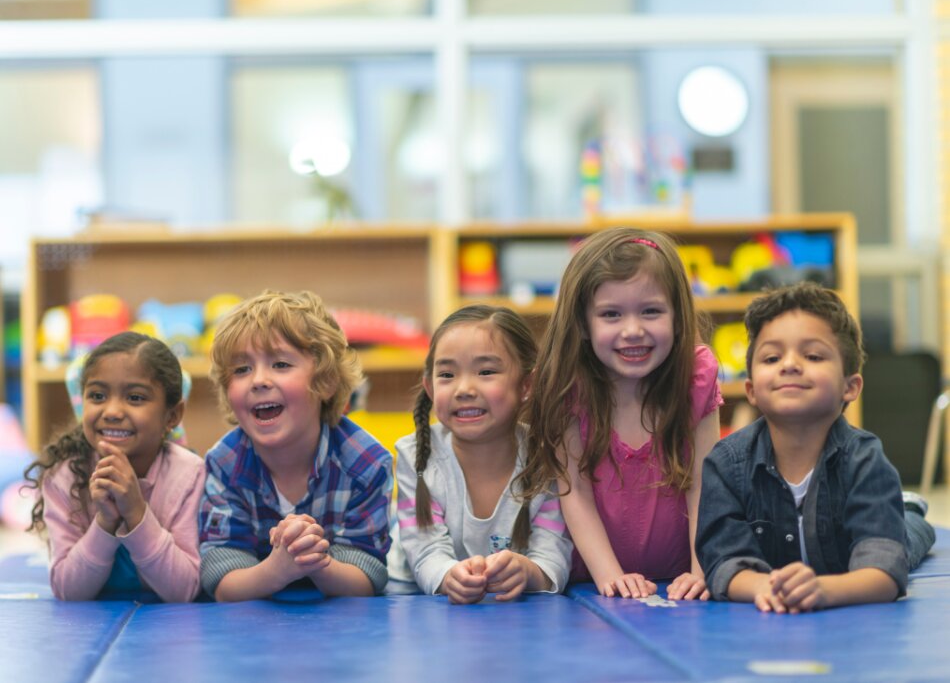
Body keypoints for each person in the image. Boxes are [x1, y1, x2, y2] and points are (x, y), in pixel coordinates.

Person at [696, 282, 936, 613]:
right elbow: (723, 561)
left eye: (812, 355)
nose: (790, 365)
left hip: (860, 554)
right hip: (778, 580)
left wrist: (824, 590)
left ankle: (907, 510)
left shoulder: (865, 459)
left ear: (850, 387)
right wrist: (763, 587)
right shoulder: (725, 463)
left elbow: (885, 572)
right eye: (772, 357)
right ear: (751, 389)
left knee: (907, 539)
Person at [520, 228, 722, 600]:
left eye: (651, 311)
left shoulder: (696, 376)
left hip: (680, 578)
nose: (633, 330)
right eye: (611, 314)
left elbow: (702, 483)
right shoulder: (569, 385)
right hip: (594, 581)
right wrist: (610, 576)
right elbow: (575, 492)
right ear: (583, 323)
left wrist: (703, 569)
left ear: (677, 316)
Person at [199, 290, 392, 601]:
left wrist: (314, 562)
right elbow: (221, 579)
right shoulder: (225, 463)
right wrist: (277, 570)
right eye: (242, 369)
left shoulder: (365, 462)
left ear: (325, 382)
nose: (258, 380)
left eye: (280, 364)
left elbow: (366, 577)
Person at [387, 305, 572, 604]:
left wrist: (529, 572)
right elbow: (425, 551)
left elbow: (553, 553)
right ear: (430, 389)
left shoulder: (547, 457)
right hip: (411, 599)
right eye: (447, 374)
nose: (464, 388)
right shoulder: (416, 456)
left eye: (486, 372)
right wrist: (449, 576)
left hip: (514, 616)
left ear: (526, 384)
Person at [24, 331, 204, 602]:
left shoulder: (191, 475)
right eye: (97, 396)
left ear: (172, 415)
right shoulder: (64, 478)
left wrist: (135, 511)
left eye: (135, 398)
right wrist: (105, 522)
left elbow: (185, 589)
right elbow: (67, 590)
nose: (112, 411)